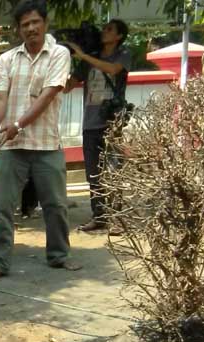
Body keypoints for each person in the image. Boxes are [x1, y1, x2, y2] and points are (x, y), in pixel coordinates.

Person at [0, 0, 81, 280]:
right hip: (11, 147)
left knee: (56, 205)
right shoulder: (7, 59)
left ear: (45, 24)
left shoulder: (59, 54)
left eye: (35, 22)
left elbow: (50, 94)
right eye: (25, 24)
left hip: (47, 143)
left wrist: (17, 124)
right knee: (1, 207)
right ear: (18, 30)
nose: (31, 28)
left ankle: (59, 255)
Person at [64, 19, 131, 233]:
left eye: (109, 29)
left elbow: (112, 69)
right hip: (90, 124)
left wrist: (83, 55)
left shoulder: (123, 54)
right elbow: (67, 86)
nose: (104, 31)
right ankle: (99, 217)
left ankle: (118, 219)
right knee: (93, 173)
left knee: (113, 171)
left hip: (112, 122)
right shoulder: (89, 58)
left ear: (119, 36)